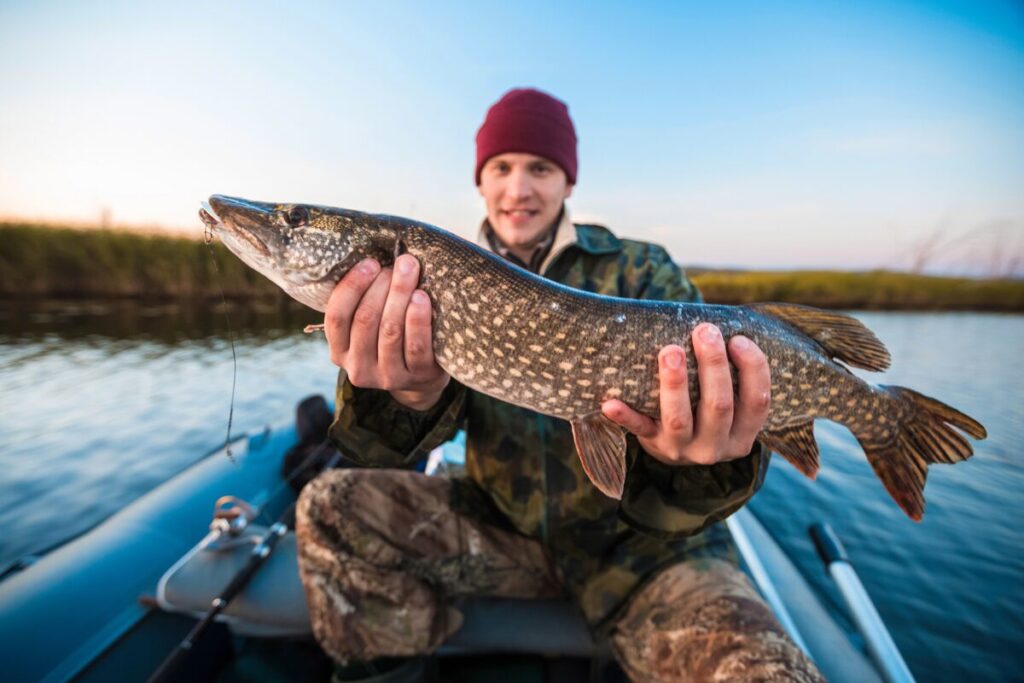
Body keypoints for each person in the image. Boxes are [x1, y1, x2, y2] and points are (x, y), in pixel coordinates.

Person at [295, 88, 823, 681]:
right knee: (328, 507)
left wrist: (692, 463)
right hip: (502, 527)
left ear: (568, 182)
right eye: (501, 168)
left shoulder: (643, 270)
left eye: (540, 168)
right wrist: (406, 396)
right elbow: (385, 450)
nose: (518, 189)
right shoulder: (424, 277)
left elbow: (711, 451)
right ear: (481, 181)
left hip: (648, 553)